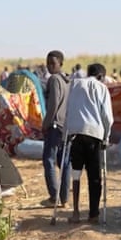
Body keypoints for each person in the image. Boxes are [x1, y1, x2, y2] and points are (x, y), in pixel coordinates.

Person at [65, 63, 114, 224]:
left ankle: (76, 212)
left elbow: (68, 109)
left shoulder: (75, 84)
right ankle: (93, 214)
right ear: (100, 76)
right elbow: (107, 117)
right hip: (94, 134)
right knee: (94, 176)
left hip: (75, 133)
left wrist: (66, 133)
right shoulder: (101, 87)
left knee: (76, 174)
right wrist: (106, 137)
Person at [41, 50, 71, 208]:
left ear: (60, 63)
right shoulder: (68, 81)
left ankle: (54, 196)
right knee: (64, 162)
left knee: (49, 160)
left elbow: (52, 105)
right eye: (48, 63)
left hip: (54, 125)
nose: (49, 66)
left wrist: (45, 124)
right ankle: (64, 197)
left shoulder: (54, 80)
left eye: (53, 63)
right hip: (65, 126)